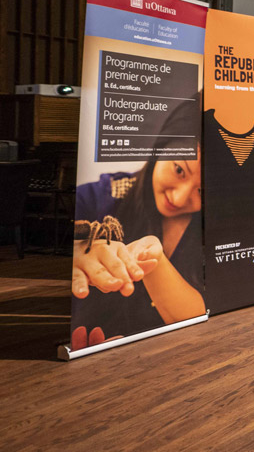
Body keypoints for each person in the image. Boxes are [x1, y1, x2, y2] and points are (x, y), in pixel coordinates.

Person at [71, 95, 206, 349]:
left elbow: (203, 322)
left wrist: (153, 261)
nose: (178, 198)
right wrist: (77, 251)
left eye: (202, 191)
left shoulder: (213, 228)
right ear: (160, 147)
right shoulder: (103, 198)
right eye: (179, 170)